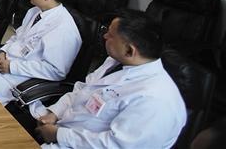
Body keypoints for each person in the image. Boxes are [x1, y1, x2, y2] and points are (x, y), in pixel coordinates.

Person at [30, 11, 186, 149]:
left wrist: (59, 135)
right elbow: (83, 89)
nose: (104, 36)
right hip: (63, 130)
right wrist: (54, 113)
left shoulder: (155, 100)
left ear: (129, 50)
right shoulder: (116, 61)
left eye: (110, 35)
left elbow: (116, 145)